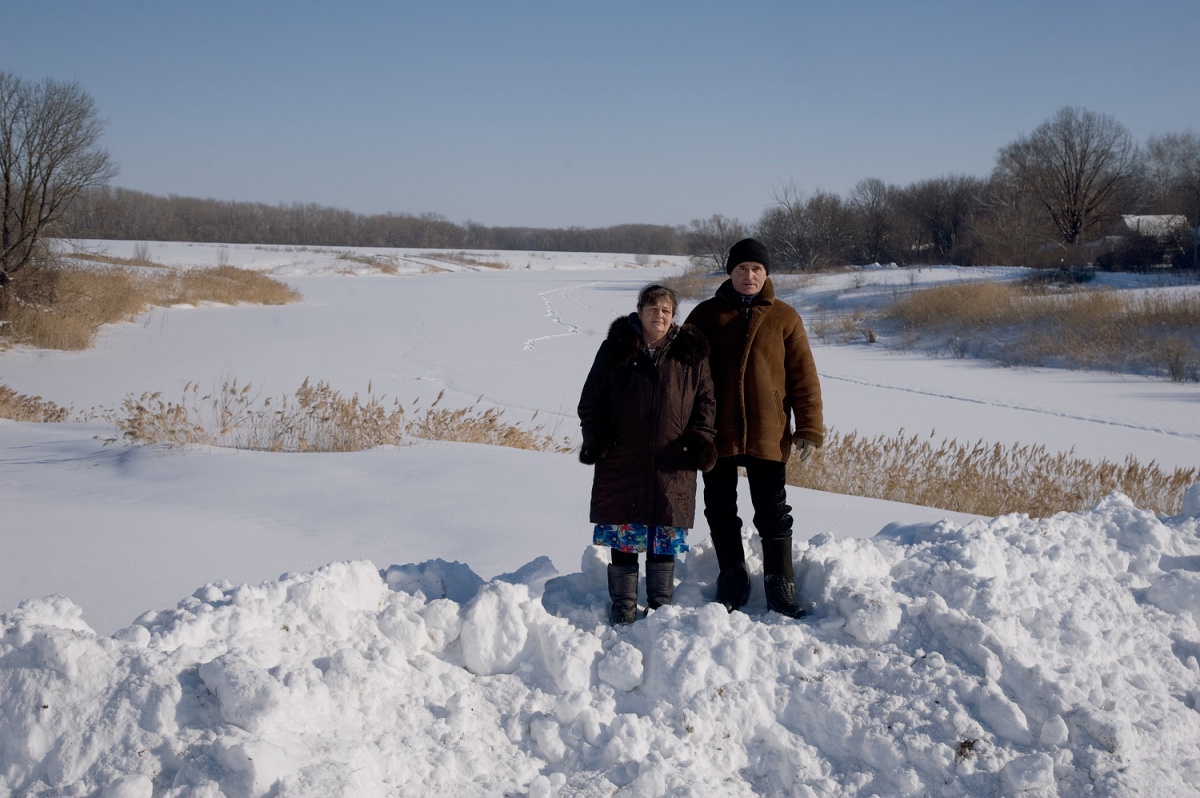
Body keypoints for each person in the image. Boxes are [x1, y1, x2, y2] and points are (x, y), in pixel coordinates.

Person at [684, 238, 823, 618]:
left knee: (773, 510)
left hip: (768, 428)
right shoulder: (705, 315)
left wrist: (809, 428)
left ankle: (780, 581)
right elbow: (684, 375)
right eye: (742, 268)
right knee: (719, 507)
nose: (749, 275)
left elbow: (803, 378)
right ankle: (732, 574)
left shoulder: (785, 317)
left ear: (767, 274)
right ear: (730, 272)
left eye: (757, 269)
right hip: (716, 431)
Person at [578, 284, 717, 624]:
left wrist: (699, 439)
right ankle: (623, 609)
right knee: (625, 536)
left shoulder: (690, 355)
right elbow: (591, 402)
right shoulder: (615, 350)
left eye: (666, 310)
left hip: (673, 461)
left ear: (673, 317)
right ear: (639, 311)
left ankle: (660, 610)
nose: (659, 315)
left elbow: (706, 404)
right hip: (623, 460)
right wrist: (599, 440)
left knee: (663, 535)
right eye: (653, 308)